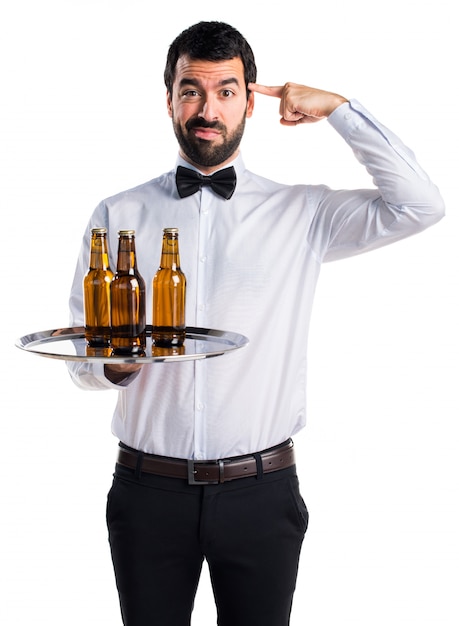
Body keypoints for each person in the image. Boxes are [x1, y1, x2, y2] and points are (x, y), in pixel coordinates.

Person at [67, 20, 444, 626]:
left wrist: (342, 110)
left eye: (226, 90)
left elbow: (420, 205)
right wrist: (111, 366)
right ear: (169, 99)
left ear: (250, 99)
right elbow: (84, 360)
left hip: (261, 492)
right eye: (191, 90)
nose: (207, 108)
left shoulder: (304, 212)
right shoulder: (119, 213)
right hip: (147, 492)